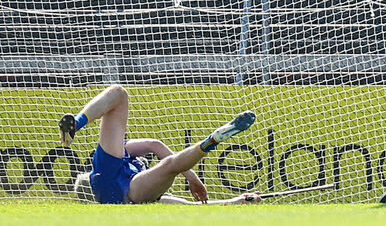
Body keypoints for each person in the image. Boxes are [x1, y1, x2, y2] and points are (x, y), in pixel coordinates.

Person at [58, 83, 259, 204]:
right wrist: (192, 178)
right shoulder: (122, 161)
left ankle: (212, 141)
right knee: (119, 93)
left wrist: (237, 201)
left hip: (119, 189)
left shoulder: (140, 184)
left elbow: (191, 205)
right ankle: (77, 122)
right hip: (108, 182)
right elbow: (154, 144)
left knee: (169, 166)